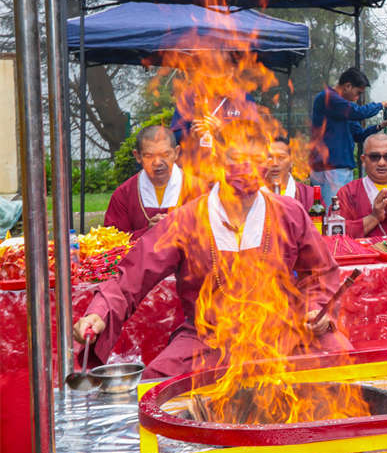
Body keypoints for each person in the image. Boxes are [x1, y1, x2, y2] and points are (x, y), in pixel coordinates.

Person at [73, 118, 346, 379]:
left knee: (338, 354)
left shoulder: (289, 212)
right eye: (236, 158)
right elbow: (131, 278)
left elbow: (321, 272)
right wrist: (99, 313)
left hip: (280, 333)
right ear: (217, 161)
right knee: (158, 380)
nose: (246, 168)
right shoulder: (187, 219)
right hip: (208, 340)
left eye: (255, 159)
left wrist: (316, 308)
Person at [309, 68, 387, 207]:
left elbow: (359, 135)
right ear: (347, 86)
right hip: (330, 167)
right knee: (332, 212)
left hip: (340, 167)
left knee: (340, 211)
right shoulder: (328, 98)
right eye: (358, 92)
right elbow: (359, 112)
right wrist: (382, 105)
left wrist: (383, 124)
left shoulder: (344, 108)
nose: (358, 97)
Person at [103, 126, 189, 237]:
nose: (157, 162)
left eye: (165, 155)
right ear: (137, 156)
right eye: (149, 156)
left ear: (176, 153)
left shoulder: (198, 189)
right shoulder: (124, 194)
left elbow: (208, 236)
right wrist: (147, 232)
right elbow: (111, 240)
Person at [265, 134, 318, 210]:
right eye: (269, 157)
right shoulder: (253, 196)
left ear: (291, 161)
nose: (275, 163)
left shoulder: (309, 196)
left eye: (281, 157)